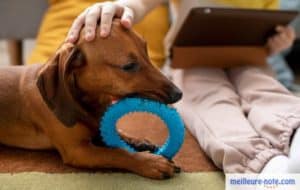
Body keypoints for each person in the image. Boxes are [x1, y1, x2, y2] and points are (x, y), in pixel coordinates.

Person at [66, 0, 300, 173]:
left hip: (248, 60)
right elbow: (139, 4)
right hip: (191, 63)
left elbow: (268, 34)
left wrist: (280, 42)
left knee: (264, 89)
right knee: (209, 99)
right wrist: (121, 8)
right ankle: (260, 166)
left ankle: (295, 132)